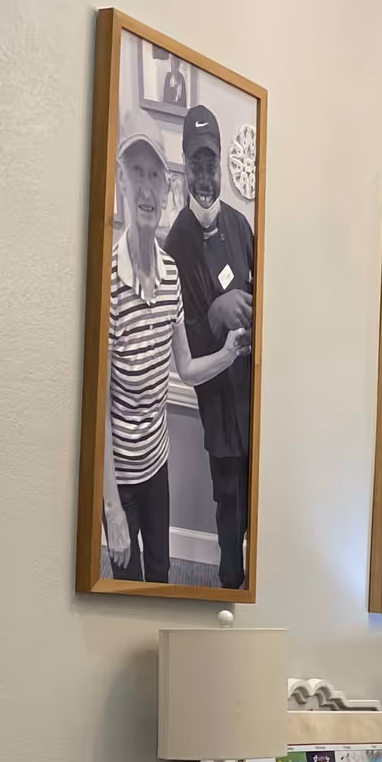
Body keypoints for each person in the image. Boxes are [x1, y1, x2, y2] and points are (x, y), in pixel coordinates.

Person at [103, 128, 245, 585]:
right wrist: (111, 509)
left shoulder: (168, 274)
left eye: (153, 176)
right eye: (134, 173)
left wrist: (227, 353)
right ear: (120, 182)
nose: (145, 187)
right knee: (127, 581)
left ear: (165, 189)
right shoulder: (106, 278)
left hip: (157, 461)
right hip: (119, 471)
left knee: (160, 576)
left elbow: (185, 367)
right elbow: (96, 408)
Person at [163, 104, 256, 589]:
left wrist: (249, 310)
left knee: (259, 514)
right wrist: (216, 315)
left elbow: (266, 297)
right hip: (220, 411)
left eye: (210, 163)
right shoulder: (176, 242)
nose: (204, 176)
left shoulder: (241, 227)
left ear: (220, 166)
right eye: (195, 164)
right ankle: (229, 593)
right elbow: (183, 344)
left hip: (253, 400)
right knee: (229, 512)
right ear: (184, 165)